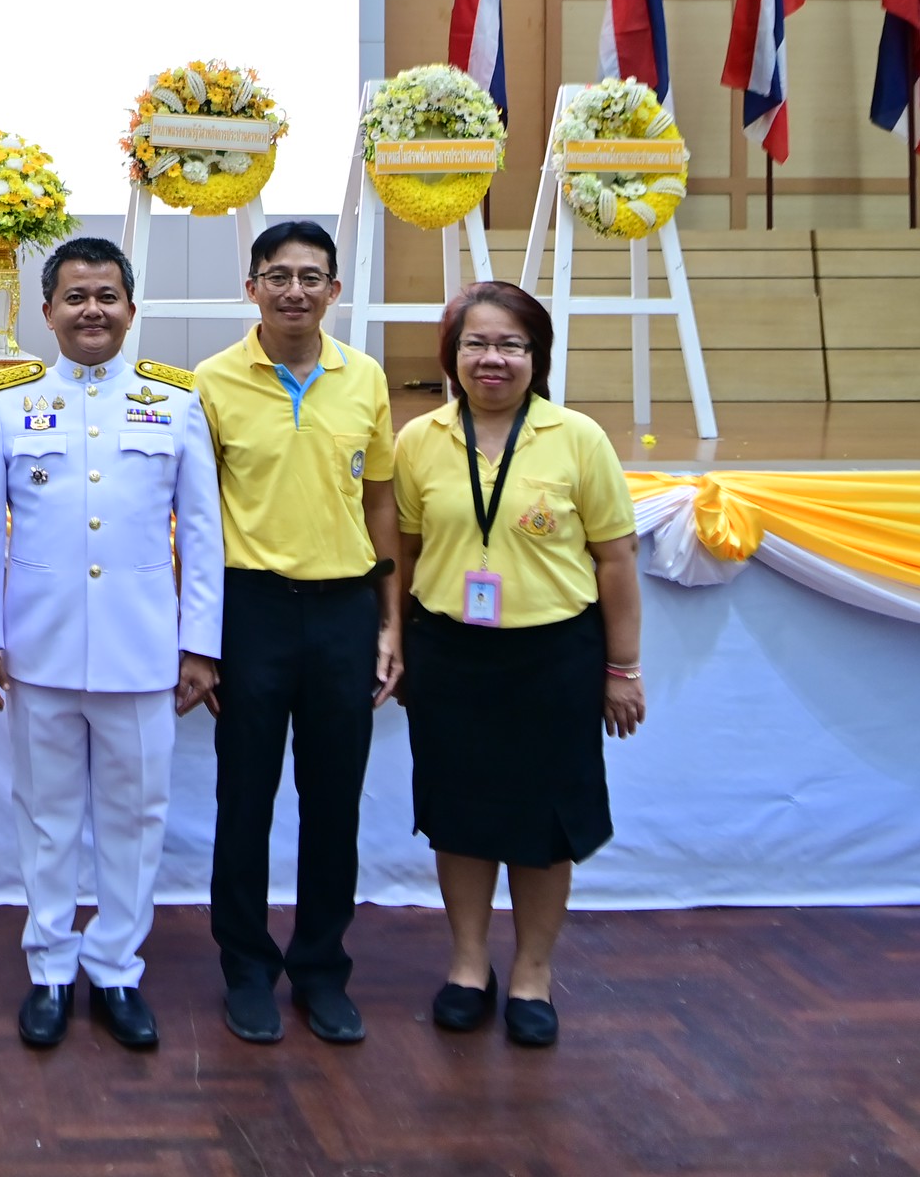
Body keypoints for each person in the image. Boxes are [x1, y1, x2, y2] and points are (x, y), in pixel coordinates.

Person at [0, 238, 224, 1051]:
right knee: (46, 819)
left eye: (106, 296)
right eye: (74, 296)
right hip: (37, 654)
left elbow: (205, 540)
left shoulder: (175, 405)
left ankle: (116, 966)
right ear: (46, 312)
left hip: (143, 654)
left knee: (135, 816)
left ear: (130, 309)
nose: (91, 311)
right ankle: (48, 967)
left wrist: (200, 647)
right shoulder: (5, 408)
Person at [393, 282, 646, 1048]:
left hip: (553, 656)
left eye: (511, 345)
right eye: (476, 344)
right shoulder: (419, 440)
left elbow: (615, 559)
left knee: (547, 824)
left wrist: (623, 668)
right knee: (460, 819)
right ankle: (468, 965)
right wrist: (397, 642)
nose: (492, 359)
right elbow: (403, 552)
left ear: (536, 357)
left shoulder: (578, 439)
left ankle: (533, 973)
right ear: (452, 355)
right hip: (450, 655)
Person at [194, 219, 401, 1047]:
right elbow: (198, 519)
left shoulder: (367, 379)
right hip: (251, 611)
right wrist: (200, 640)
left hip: (346, 610)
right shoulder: (211, 381)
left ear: (334, 291)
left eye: (311, 277)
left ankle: (320, 968)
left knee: (333, 801)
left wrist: (390, 619)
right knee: (243, 799)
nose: (294, 291)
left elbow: (381, 500)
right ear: (250, 288)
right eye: (277, 276)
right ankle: (245, 967)